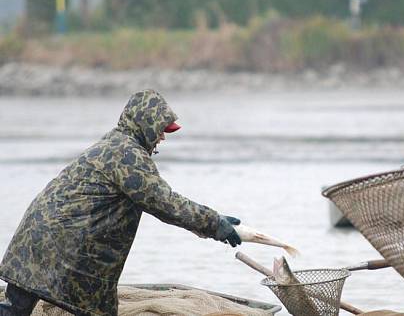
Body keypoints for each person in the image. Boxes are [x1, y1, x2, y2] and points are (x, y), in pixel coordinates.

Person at [0, 89, 242, 315]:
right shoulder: (128, 155)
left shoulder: (114, 144)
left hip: (34, 241)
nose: (162, 138)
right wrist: (213, 223)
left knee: (14, 309)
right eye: (160, 130)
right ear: (144, 125)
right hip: (65, 249)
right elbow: (164, 203)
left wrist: (207, 224)